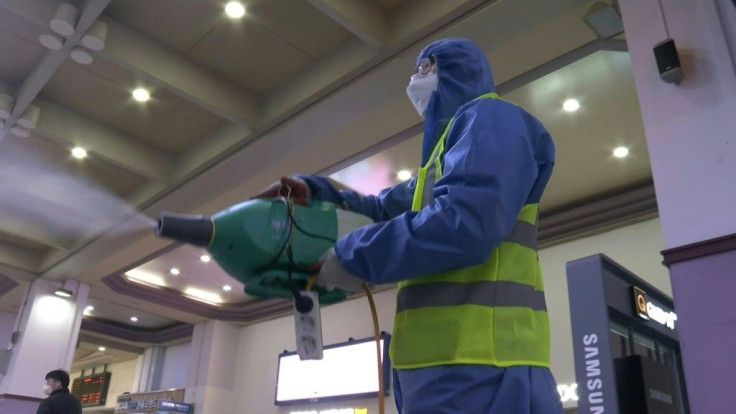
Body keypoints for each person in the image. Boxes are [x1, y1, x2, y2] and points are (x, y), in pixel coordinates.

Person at [255, 38, 562, 413]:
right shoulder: (442, 157)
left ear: (446, 68)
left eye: (424, 68)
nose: (416, 79)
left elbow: (464, 224)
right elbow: (379, 209)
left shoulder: (492, 119)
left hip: (483, 367)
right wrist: (318, 192)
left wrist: (351, 255)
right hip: (440, 370)